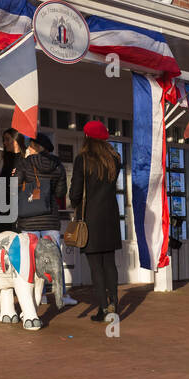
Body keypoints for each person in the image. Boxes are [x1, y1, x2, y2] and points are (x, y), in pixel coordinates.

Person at [70, 121, 122, 321]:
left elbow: (76, 191)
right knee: (109, 263)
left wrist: (74, 203)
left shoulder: (82, 160)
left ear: (87, 137)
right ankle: (114, 304)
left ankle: (102, 308)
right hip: (110, 217)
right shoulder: (115, 159)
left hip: (90, 217)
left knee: (96, 266)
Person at [16, 132, 74, 305]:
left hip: (28, 218)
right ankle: (60, 295)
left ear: (36, 147)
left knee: (30, 259)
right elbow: (60, 193)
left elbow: (15, 183)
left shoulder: (25, 163)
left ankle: (36, 296)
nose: (27, 148)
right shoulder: (58, 165)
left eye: (30, 145)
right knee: (55, 256)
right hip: (50, 219)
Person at [0, 128, 26, 236]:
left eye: (7, 139)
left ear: (16, 140)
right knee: (1, 236)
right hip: (1, 206)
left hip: (19, 206)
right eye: (4, 140)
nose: (4, 143)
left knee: (16, 237)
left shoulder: (25, 158)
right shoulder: (1, 157)